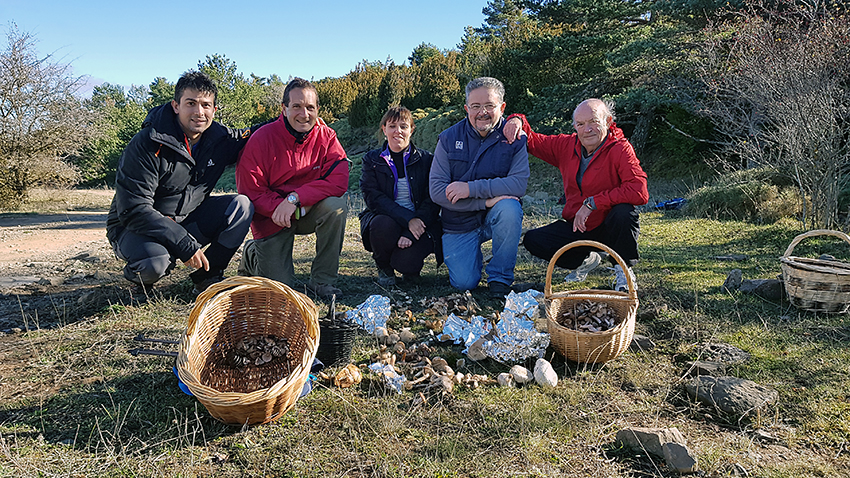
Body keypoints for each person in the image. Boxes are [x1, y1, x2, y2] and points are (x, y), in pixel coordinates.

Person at [106, 71, 256, 294]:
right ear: (176, 106)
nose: (199, 112)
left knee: (241, 206)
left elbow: (255, 133)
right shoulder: (148, 143)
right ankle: (139, 278)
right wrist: (184, 243)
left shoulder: (220, 139)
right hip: (136, 227)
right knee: (154, 265)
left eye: (206, 105)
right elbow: (133, 210)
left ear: (214, 110)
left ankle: (208, 276)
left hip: (186, 219)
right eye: (191, 103)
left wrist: (293, 119)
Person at [504, 98, 649, 291]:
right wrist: (517, 120)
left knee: (624, 212)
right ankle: (586, 259)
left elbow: (639, 191)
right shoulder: (566, 145)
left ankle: (623, 271)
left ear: (608, 121)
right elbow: (531, 139)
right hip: (580, 227)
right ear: (574, 126)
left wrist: (593, 203)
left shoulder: (620, 148)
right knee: (533, 240)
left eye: (594, 122)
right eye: (580, 124)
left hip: (610, 225)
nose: (587, 129)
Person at [236, 78, 349, 300]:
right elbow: (250, 190)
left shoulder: (328, 137)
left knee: (337, 207)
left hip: (305, 209)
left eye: (310, 107)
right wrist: (279, 207)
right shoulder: (261, 138)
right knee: (280, 292)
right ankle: (252, 254)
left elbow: (339, 181)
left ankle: (322, 281)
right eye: (296, 106)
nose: (303, 114)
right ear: (284, 108)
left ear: (318, 110)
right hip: (271, 217)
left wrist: (295, 199)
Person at [429, 77, 529, 298]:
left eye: (489, 106)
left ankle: (500, 280)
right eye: (475, 106)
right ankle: (472, 260)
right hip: (458, 223)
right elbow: (437, 191)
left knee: (510, 208)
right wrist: (483, 201)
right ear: (466, 108)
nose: (482, 112)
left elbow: (518, 184)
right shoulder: (447, 138)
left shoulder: (515, 139)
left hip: (495, 217)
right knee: (464, 283)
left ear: (502, 107)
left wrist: (470, 189)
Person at [359, 106, 442, 287]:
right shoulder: (371, 160)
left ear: (412, 130)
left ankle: (409, 269)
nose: (398, 131)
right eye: (392, 126)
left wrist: (412, 228)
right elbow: (373, 197)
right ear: (384, 129)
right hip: (386, 219)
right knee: (382, 225)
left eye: (403, 126)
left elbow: (433, 198)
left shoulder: (427, 160)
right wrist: (408, 219)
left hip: (421, 222)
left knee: (407, 263)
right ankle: (383, 267)